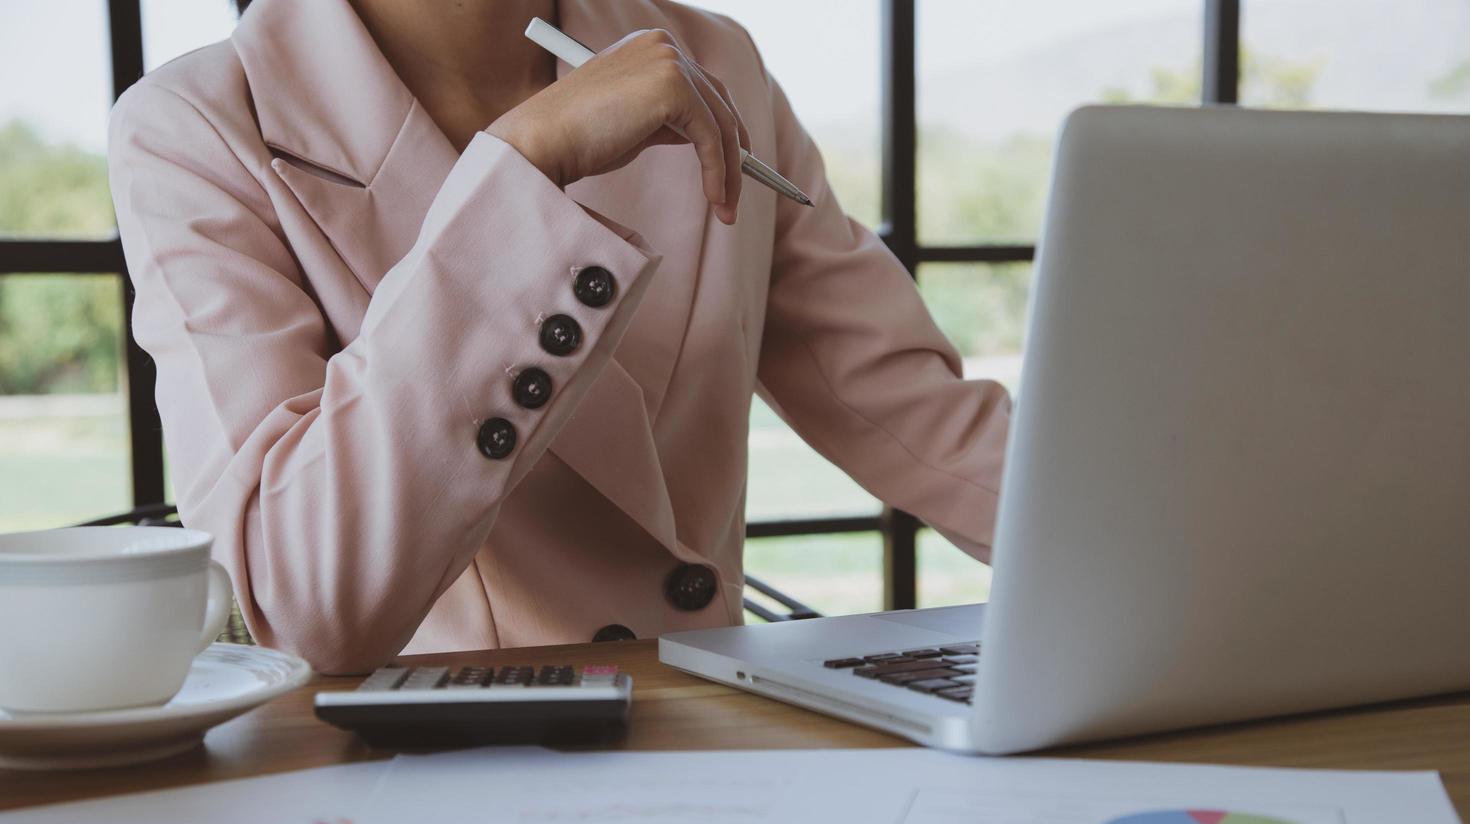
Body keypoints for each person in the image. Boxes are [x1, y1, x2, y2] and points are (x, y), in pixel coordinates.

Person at [108, 0, 1010, 674]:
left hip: (715, 750)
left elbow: (922, 419)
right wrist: (523, 171)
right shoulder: (196, 126)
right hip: (423, 791)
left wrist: (1137, 551)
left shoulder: (709, 60)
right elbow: (302, 601)